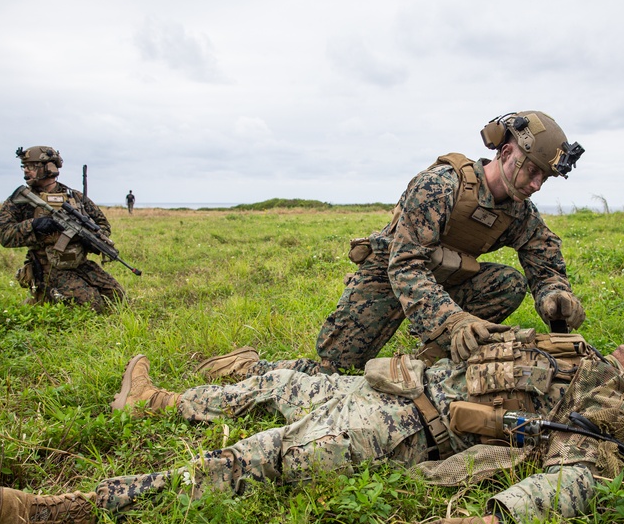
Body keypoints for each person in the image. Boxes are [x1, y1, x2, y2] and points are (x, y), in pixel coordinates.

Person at [0, 328, 624, 524]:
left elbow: (582, 478)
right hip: (394, 383)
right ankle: (154, 401)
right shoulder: (590, 355)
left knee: (253, 461)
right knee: (282, 380)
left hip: (403, 426)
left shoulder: (619, 409)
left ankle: (63, 511)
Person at [197, 111, 588, 381]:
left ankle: (429, 363)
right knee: (338, 371)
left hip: (444, 280)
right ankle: (248, 367)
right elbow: (405, 267)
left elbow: (543, 255)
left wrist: (556, 294)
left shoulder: (519, 211)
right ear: (506, 153)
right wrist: (452, 322)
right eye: (532, 170)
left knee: (508, 283)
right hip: (389, 276)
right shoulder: (441, 185)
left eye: (545, 177)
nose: (536, 184)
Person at [0, 146, 125, 313]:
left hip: (78, 262)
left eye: (32, 166)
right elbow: (4, 234)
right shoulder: (21, 199)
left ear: (49, 167)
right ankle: (40, 300)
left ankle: (50, 299)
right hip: (47, 267)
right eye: (25, 167)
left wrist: (91, 239)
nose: (26, 171)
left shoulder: (74, 196)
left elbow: (102, 224)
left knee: (117, 296)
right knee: (92, 305)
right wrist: (34, 225)